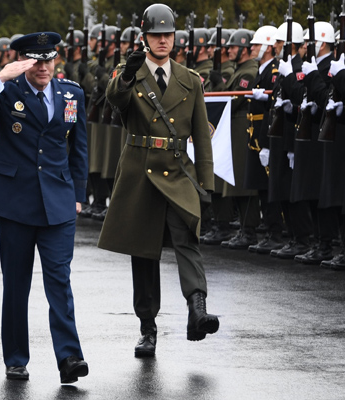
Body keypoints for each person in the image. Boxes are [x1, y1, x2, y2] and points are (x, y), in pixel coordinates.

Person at [0, 32, 89, 384]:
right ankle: (16, 358)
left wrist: (78, 194)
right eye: (35, 60)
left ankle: (70, 356)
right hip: (15, 200)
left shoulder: (71, 93)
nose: (43, 66)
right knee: (16, 284)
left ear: (56, 60)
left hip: (59, 201)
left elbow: (78, 148)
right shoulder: (7, 92)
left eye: (49, 59)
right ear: (22, 61)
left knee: (59, 281)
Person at [97, 3, 216, 358]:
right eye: (156, 35)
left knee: (187, 238)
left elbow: (202, 135)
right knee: (144, 252)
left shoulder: (189, 79)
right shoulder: (129, 73)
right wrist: (128, 75)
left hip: (179, 171)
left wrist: (206, 184)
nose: (163, 40)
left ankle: (197, 310)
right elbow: (114, 100)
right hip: (141, 172)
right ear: (145, 38)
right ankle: (147, 329)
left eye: (167, 35)